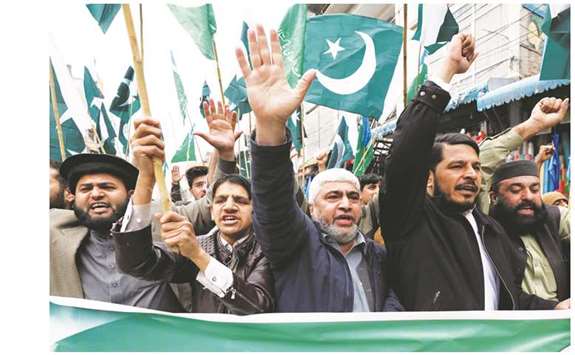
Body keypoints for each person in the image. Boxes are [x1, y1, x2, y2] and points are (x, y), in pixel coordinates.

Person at [380, 33, 552, 311]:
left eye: (475, 166)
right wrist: (446, 70)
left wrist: (556, 309)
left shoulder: (492, 230)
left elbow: (507, 301)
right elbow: (406, 154)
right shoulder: (411, 222)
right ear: (428, 179)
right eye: (457, 166)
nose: (471, 174)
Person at [236, 24, 402, 312]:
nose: (346, 204)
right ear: (312, 208)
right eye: (333, 196)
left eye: (352, 196)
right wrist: (270, 126)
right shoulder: (297, 245)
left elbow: (393, 301)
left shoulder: (378, 256)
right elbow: (274, 204)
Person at [111, 101, 274, 314]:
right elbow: (137, 264)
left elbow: (257, 307)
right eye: (221, 201)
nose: (230, 207)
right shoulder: (195, 245)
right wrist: (146, 177)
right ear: (212, 212)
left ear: (254, 209)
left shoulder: (267, 248)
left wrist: (199, 257)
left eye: (241, 201)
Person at [49, 153, 185, 312]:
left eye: (107, 187)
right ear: (72, 197)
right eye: (85, 189)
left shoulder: (161, 217)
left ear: (130, 195)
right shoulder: (55, 230)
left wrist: (222, 159)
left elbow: (210, 208)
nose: (96, 194)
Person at [477, 98, 571, 309]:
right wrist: (534, 125)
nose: (527, 196)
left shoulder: (554, 218)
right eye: (515, 189)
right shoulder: (486, 225)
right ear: (494, 196)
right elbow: (481, 161)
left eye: (534, 189)